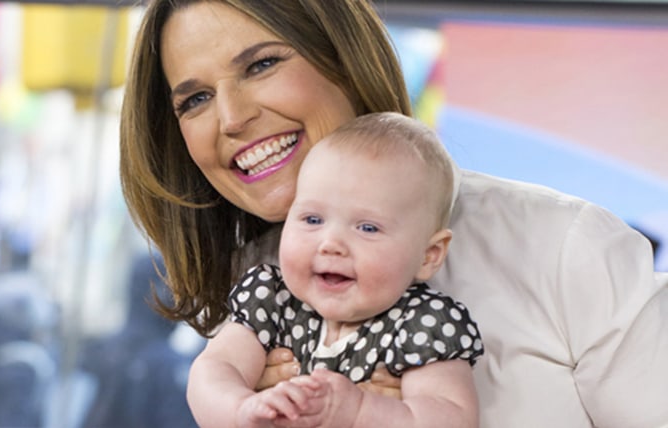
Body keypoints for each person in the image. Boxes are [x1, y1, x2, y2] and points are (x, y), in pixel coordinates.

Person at [119, 1, 668, 426]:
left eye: (262, 64)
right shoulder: (257, 294)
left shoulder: (561, 246)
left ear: (345, 57)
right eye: (194, 100)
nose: (232, 118)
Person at [187, 112, 484, 427]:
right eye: (312, 219)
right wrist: (240, 409)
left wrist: (359, 411)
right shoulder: (273, 300)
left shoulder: (421, 323)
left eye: (367, 227)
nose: (331, 243)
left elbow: (451, 418)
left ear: (428, 256)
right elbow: (214, 370)